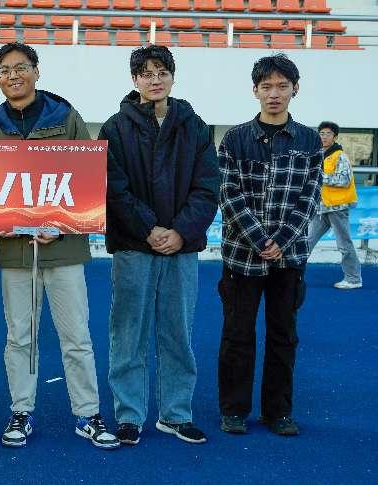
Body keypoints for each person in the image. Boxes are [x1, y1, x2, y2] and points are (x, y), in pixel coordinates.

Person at [0, 42, 119, 450]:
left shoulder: (67, 119)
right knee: (19, 338)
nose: (13, 75)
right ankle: (21, 411)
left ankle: (88, 414)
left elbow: (90, 182)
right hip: (15, 255)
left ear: (37, 71)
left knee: (76, 337)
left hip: (65, 251)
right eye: (5, 70)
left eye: (21, 67)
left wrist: (63, 226)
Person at [99, 45, 219, 446]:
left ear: (172, 76)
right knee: (127, 334)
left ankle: (176, 415)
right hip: (134, 246)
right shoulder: (115, 128)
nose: (155, 80)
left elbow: (207, 186)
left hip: (181, 249)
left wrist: (180, 231)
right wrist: (149, 228)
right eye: (146, 73)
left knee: (177, 334)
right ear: (134, 80)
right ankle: (129, 416)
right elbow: (113, 188)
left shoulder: (195, 126)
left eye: (161, 72)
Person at [217, 54, 322, 437]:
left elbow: (310, 197)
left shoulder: (309, 140)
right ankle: (234, 410)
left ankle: (278, 412)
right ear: (255, 91)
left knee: (283, 337)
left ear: (295, 89)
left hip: (289, 259)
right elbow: (228, 194)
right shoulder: (235, 139)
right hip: (241, 258)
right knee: (237, 336)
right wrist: (261, 239)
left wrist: (281, 241)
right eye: (266, 87)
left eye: (282, 86)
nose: (274, 93)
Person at [307, 121, 362, 289]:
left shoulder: (340, 156)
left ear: (335, 137)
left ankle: (353, 279)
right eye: (321, 133)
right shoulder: (319, 155)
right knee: (306, 242)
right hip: (321, 207)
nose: (324, 137)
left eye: (328, 134)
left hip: (337, 208)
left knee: (344, 245)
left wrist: (319, 176)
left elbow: (344, 180)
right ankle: (291, 276)